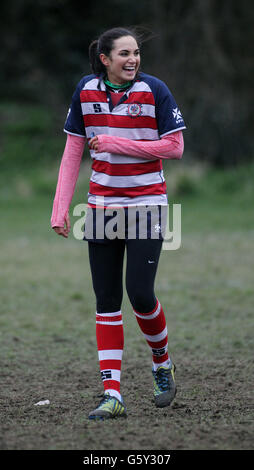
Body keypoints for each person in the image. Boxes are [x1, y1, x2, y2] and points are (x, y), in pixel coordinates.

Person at [51, 27, 186, 420]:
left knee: (140, 295)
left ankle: (161, 362)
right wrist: (60, 207)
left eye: (137, 53)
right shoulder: (85, 91)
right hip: (101, 207)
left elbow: (174, 147)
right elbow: (73, 150)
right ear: (105, 59)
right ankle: (113, 395)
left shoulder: (155, 90)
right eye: (124, 53)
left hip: (147, 205)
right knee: (107, 302)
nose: (133, 59)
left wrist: (115, 142)